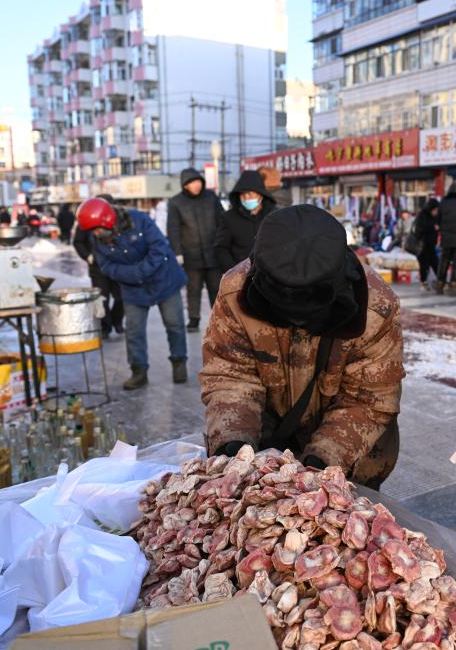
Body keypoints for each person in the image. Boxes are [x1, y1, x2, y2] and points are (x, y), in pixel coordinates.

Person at [200, 205, 404, 490]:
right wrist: (234, 445)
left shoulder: (375, 307)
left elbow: (368, 399)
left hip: (351, 451)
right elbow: (231, 374)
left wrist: (320, 465)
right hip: (266, 437)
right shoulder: (236, 291)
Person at [76, 196, 188, 390]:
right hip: (133, 288)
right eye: (92, 230)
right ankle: (138, 371)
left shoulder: (139, 220)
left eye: (97, 228)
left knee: (174, 324)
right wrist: (132, 275)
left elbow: (159, 247)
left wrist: (141, 271)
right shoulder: (98, 239)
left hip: (164, 279)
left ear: (107, 221)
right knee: (134, 331)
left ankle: (179, 362)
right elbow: (107, 266)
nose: (95, 233)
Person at [167, 168, 225, 333]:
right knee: (193, 289)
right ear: (185, 185)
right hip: (191, 254)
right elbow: (173, 229)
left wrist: (222, 245)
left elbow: (223, 221)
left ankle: (219, 318)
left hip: (213, 252)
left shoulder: (211, 197)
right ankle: (194, 319)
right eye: (192, 183)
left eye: (198, 181)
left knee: (216, 288)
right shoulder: (176, 202)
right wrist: (177, 252)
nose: (196, 185)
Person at [74, 194, 125, 340]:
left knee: (121, 296)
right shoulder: (87, 219)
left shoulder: (118, 220)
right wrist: (88, 256)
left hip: (117, 265)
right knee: (102, 299)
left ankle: (117, 321)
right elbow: (78, 241)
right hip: (97, 267)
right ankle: (105, 327)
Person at [216, 169, 277, 273]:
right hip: (240, 276)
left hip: (269, 274)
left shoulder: (273, 216)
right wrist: (233, 271)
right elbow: (221, 248)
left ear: (260, 194)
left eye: (250, 194)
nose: (246, 197)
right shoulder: (229, 218)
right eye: (242, 194)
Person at [412, 199, 440, 290]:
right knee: (424, 265)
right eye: (435, 210)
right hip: (422, 246)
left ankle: (440, 280)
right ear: (431, 209)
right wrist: (433, 227)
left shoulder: (433, 217)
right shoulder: (422, 215)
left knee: (435, 263)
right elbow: (419, 229)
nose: (436, 212)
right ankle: (424, 283)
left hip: (430, 245)